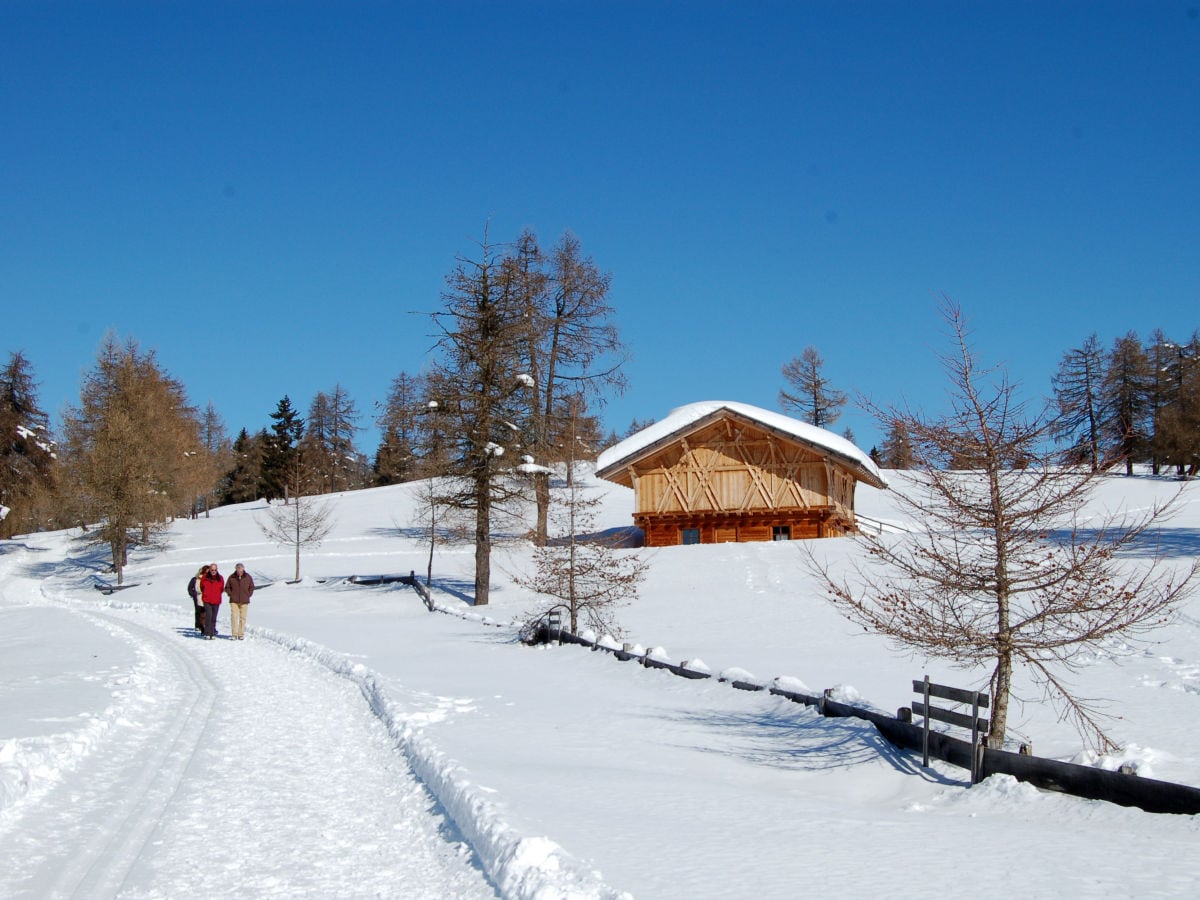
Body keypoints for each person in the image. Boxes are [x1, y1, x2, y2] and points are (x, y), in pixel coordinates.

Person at [224, 562, 255, 640]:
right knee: (234, 617)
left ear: (243, 569)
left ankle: (241, 634)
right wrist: (230, 594)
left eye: (241, 569)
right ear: (236, 570)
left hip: (244, 600)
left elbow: (251, 587)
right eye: (238, 569)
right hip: (234, 600)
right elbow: (227, 587)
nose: (239, 571)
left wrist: (248, 594)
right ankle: (234, 634)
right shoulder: (231, 577)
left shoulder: (248, 577)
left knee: (243, 617)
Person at [199, 562, 225, 639]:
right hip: (207, 600)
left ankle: (212, 632)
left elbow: (221, 588)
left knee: (214, 617)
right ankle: (207, 632)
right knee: (209, 616)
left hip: (216, 600)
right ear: (209, 570)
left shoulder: (220, 578)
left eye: (215, 570)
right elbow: (201, 587)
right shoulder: (205, 578)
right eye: (212, 570)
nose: (213, 571)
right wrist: (206, 594)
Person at [187, 565, 207, 632]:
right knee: (198, 611)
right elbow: (190, 588)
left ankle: (204, 625)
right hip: (197, 597)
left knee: (206, 612)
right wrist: (193, 594)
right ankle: (198, 625)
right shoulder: (195, 579)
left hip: (207, 597)